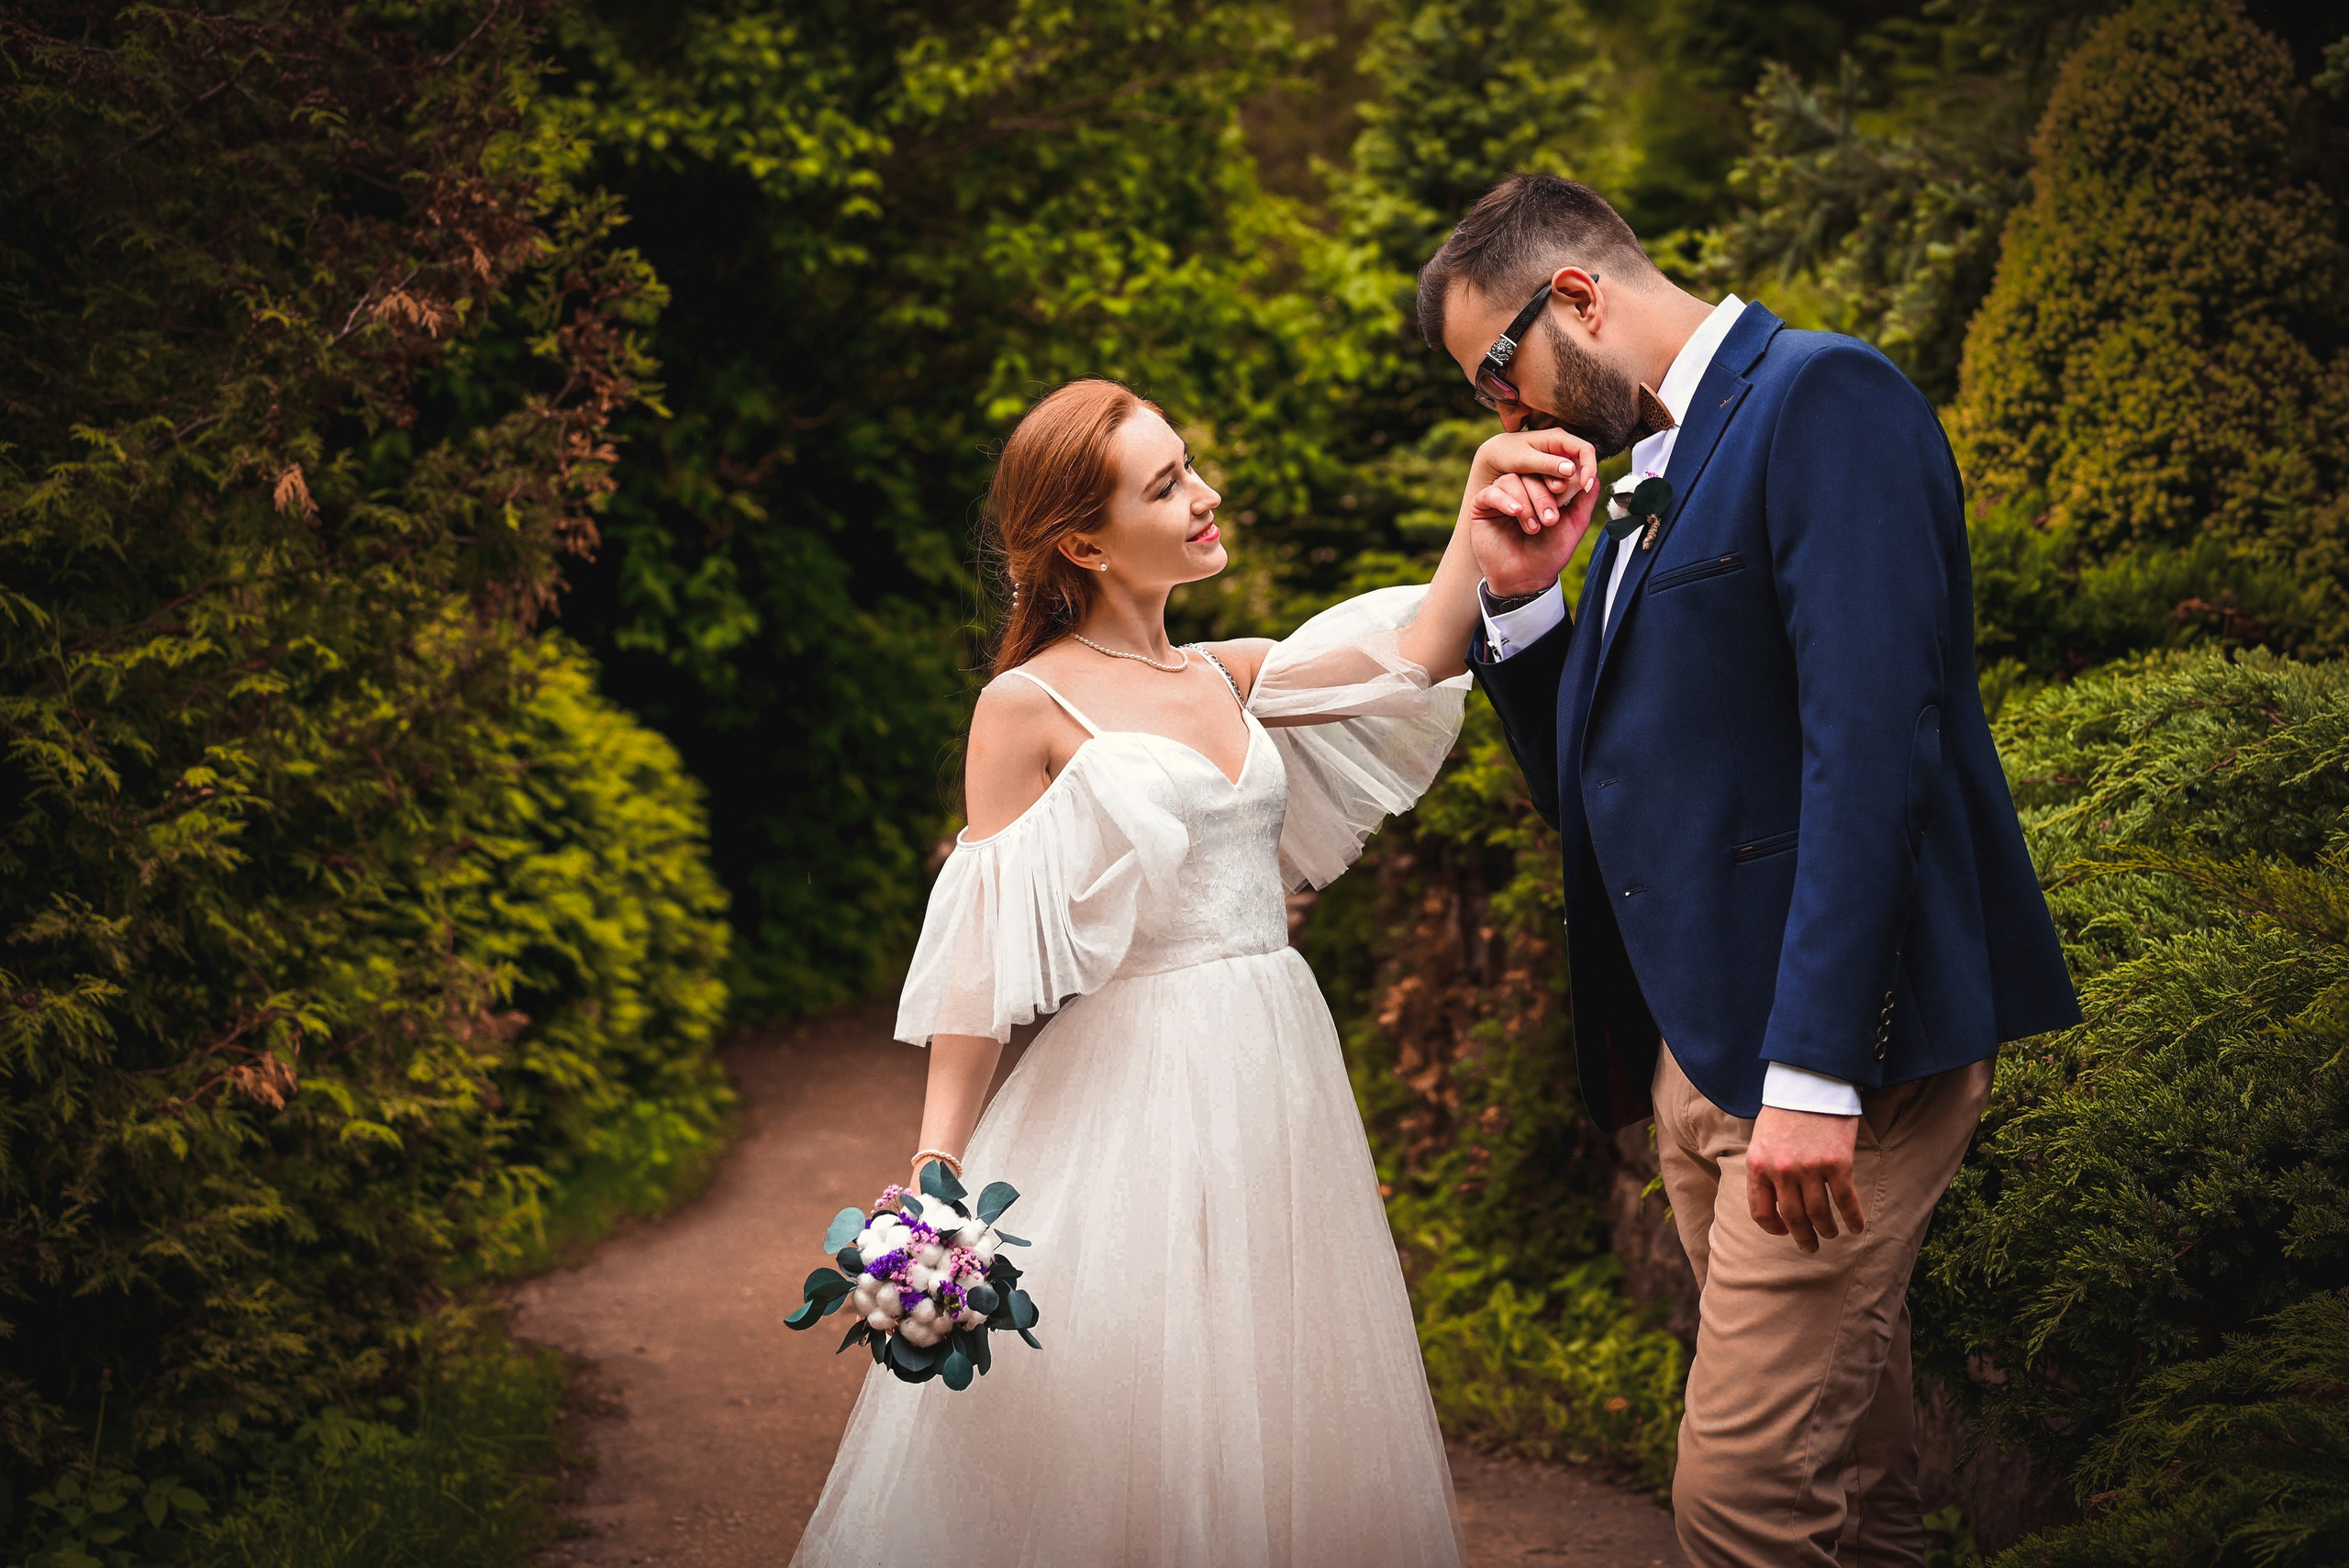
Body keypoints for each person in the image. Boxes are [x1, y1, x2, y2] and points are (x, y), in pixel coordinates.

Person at [791, 377, 1586, 1568]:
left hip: (1277, 1065)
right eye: (1165, 486)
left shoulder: (1232, 673)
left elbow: (1418, 654)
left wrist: (1481, 507)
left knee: (1274, 1372)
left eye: (1189, 466)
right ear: (1083, 542)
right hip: (1133, 1085)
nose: (1204, 495)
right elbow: (980, 956)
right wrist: (935, 1169)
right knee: (1138, 1388)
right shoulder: (1024, 706)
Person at [1419, 173, 2080, 1565]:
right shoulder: (1648, 472)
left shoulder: (1822, 400)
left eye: (1499, 368)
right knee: (1863, 1485)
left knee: (1742, 1502)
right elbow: (1607, 794)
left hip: (1834, 1058)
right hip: (1706, 1063)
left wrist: (1816, 1071)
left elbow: (1873, 750)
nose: (1506, 416)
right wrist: (1526, 606)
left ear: (1578, 295)